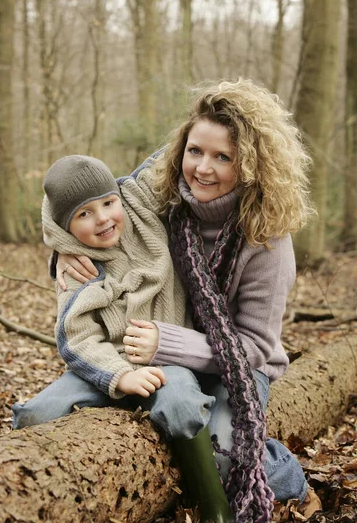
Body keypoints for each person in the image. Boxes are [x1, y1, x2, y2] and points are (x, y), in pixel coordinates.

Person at [56, 79, 323, 520]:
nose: (202, 168)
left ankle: (291, 480)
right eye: (195, 150)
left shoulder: (267, 240)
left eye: (223, 157)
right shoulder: (162, 193)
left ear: (253, 166)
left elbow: (255, 347)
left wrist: (169, 342)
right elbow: (91, 206)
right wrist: (64, 248)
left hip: (238, 369)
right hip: (167, 362)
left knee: (221, 454)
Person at [12, 154, 233, 523]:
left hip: (168, 354)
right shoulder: (77, 266)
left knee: (181, 405)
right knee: (35, 415)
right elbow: (76, 340)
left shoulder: (139, 201)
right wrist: (120, 376)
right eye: (83, 214)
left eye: (107, 203)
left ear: (118, 194)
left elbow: (179, 149)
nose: (102, 219)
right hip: (108, 364)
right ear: (65, 226)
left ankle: (215, 508)